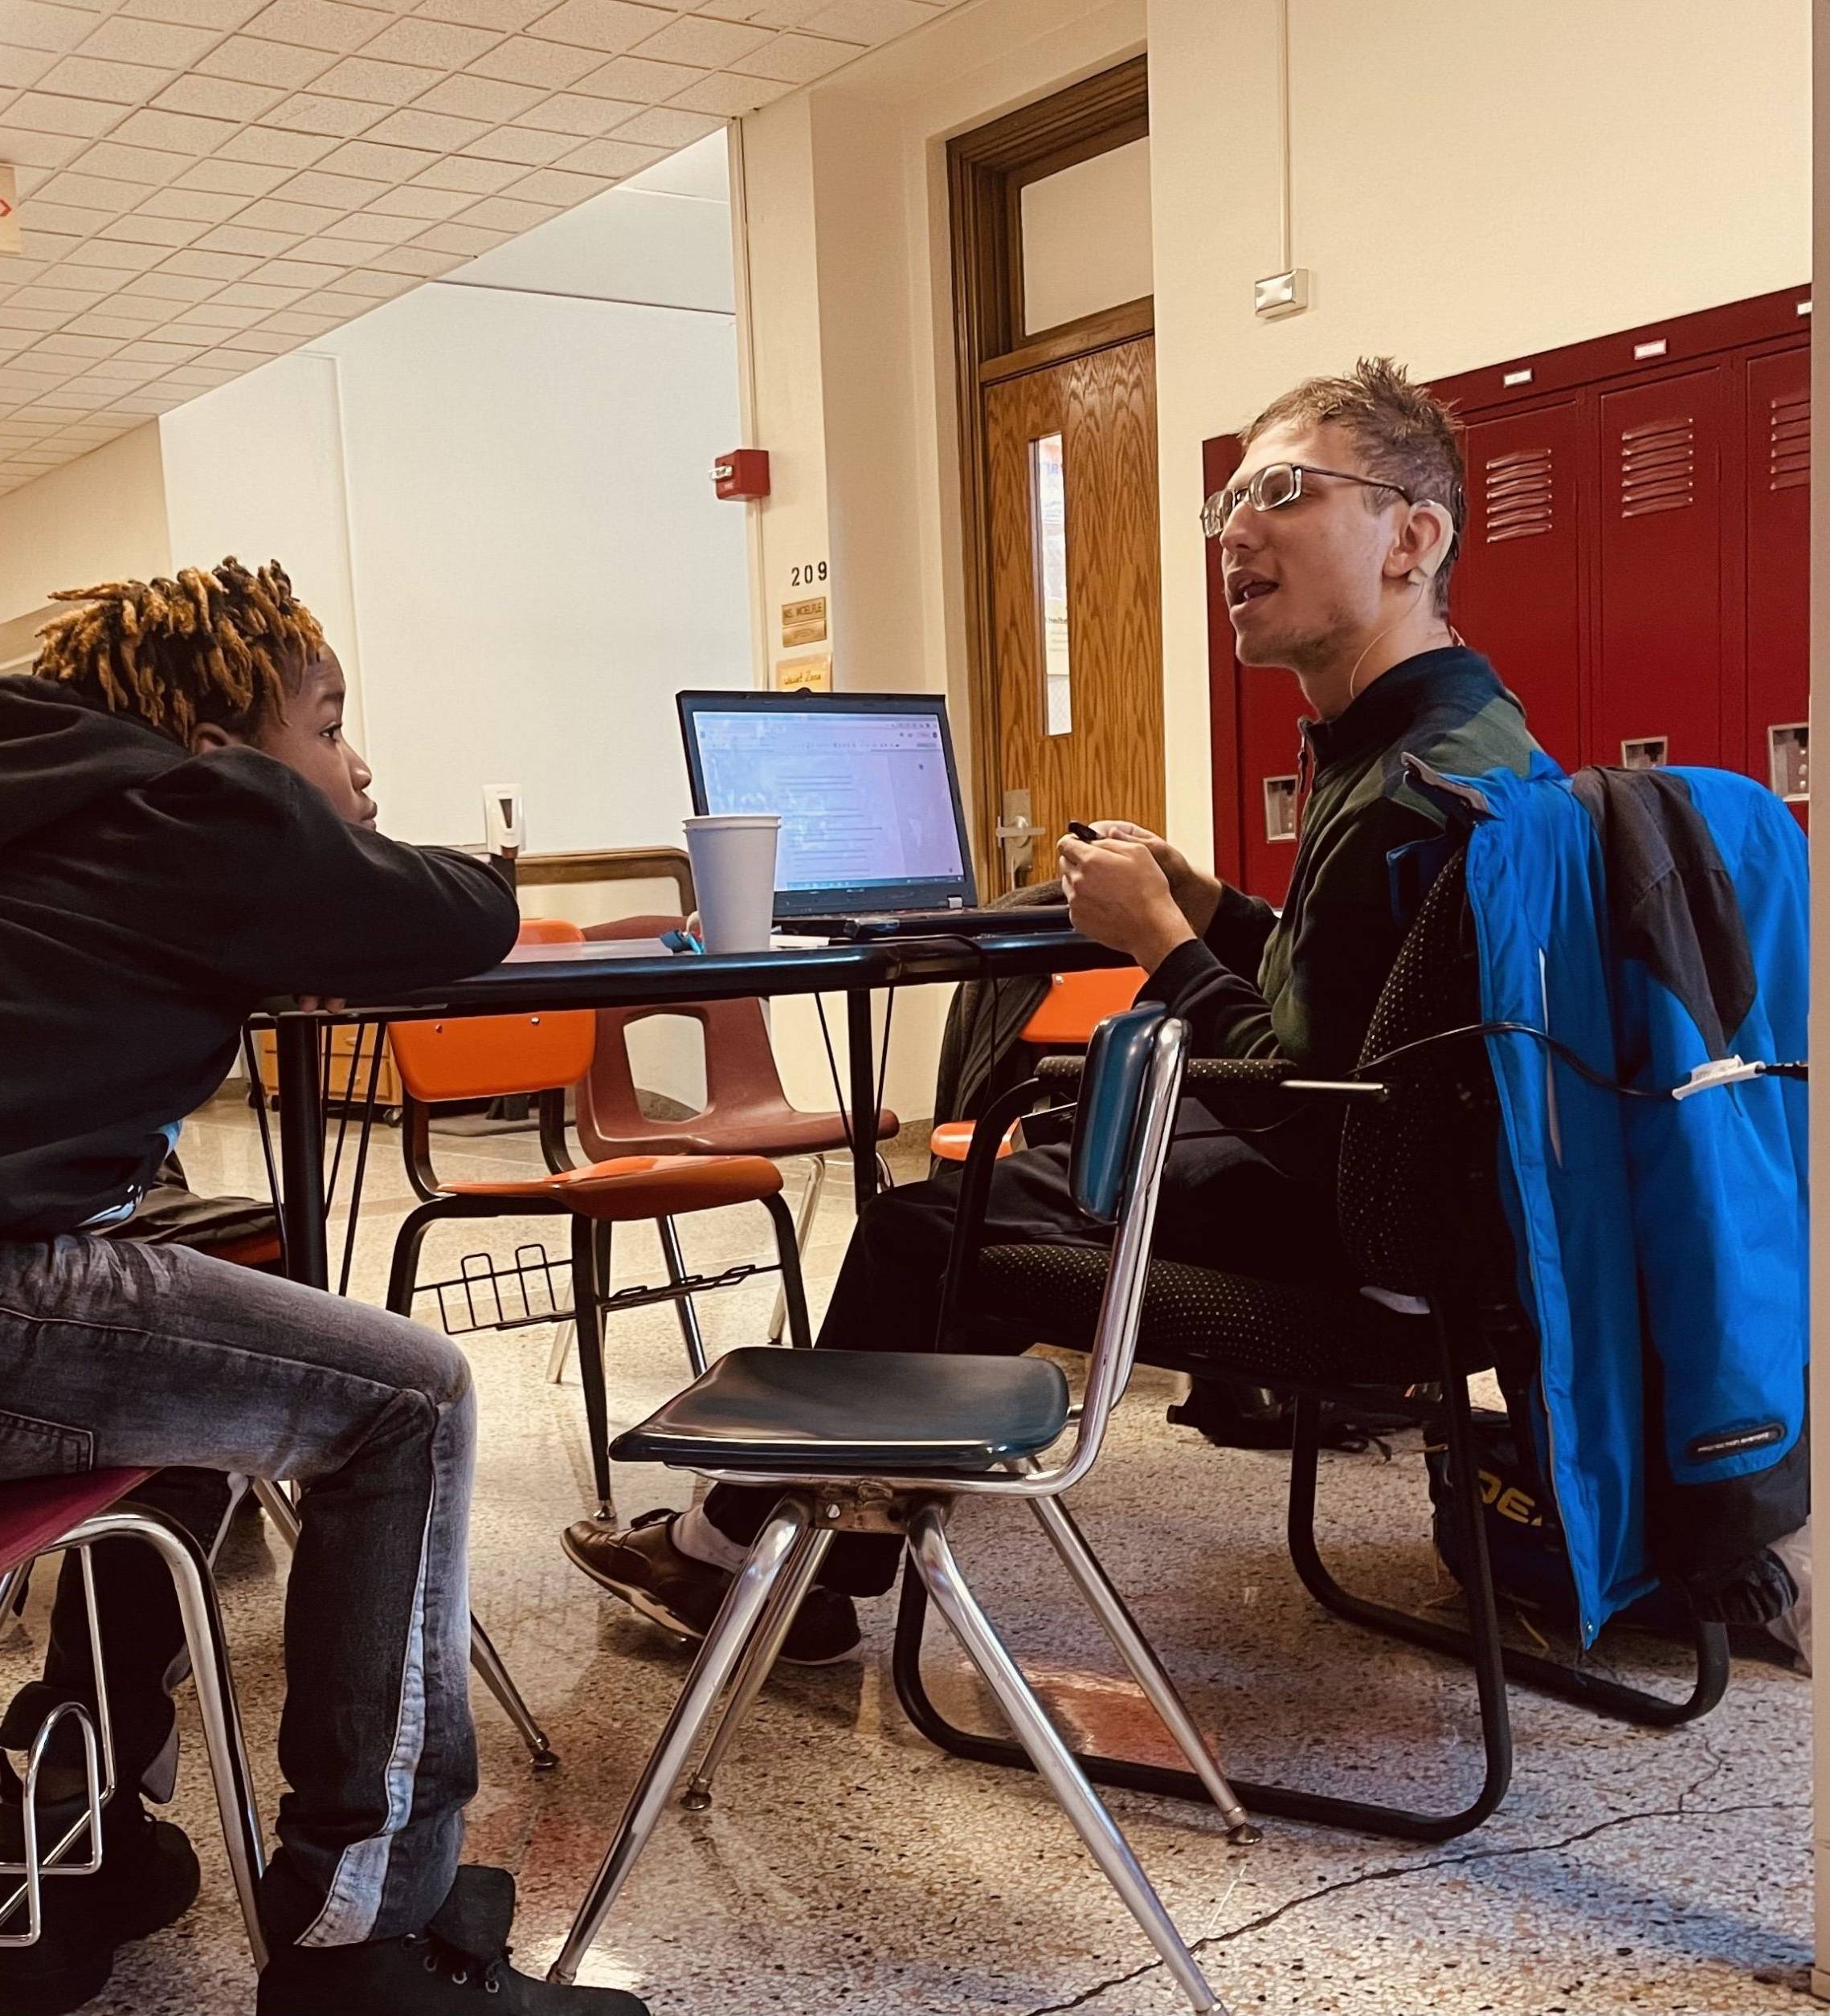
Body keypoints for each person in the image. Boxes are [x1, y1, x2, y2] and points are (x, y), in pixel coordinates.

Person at [565, 357, 1542, 1659]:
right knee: (1035, 1162)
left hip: (1365, 1251)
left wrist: (1153, 942)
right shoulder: (1465, 734)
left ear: (1412, 537)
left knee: (933, 1216)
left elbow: (1315, 1107)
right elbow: (1363, 1013)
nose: (1234, 530)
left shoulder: (1398, 785)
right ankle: (814, 1546)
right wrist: (1213, 908)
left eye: (1284, 491)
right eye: (1227, 501)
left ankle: (737, 1551)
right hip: (1452, 1238)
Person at [0, 560, 646, 2016]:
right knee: (404, 1394)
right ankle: (362, 1944)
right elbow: (464, 913)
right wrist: (324, 857)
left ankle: (81, 1837)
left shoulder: (20, 831)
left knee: (217, 1331)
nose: (357, 763)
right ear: (220, 741)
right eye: (327, 726)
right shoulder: (204, 808)